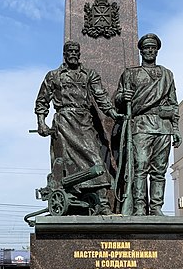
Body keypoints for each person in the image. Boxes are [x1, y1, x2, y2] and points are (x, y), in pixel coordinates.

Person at [35, 41, 121, 215]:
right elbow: (42, 100)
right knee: (63, 164)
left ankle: (103, 203)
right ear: (64, 54)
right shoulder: (53, 76)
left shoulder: (89, 75)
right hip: (64, 123)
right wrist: (41, 123)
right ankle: (73, 197)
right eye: (69, 51)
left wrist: (114, 114)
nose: (73, 54)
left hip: (84, 122)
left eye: (76, 51)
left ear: (80, 54)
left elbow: (101, 96)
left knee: (95, 160)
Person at [115, 33, 181, 216]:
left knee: (159, 170)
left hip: (163, 127)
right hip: (141, 125)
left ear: (157, 51)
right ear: (141, 51)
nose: (150, 50)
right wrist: (122, 97)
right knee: (140, 168)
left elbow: (173, 103)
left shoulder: (167, 75)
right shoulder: (130, 73)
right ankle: (139, 207)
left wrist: (176, 129)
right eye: (146, 48)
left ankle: (156, 207)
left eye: (153, 47)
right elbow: (118, 98)